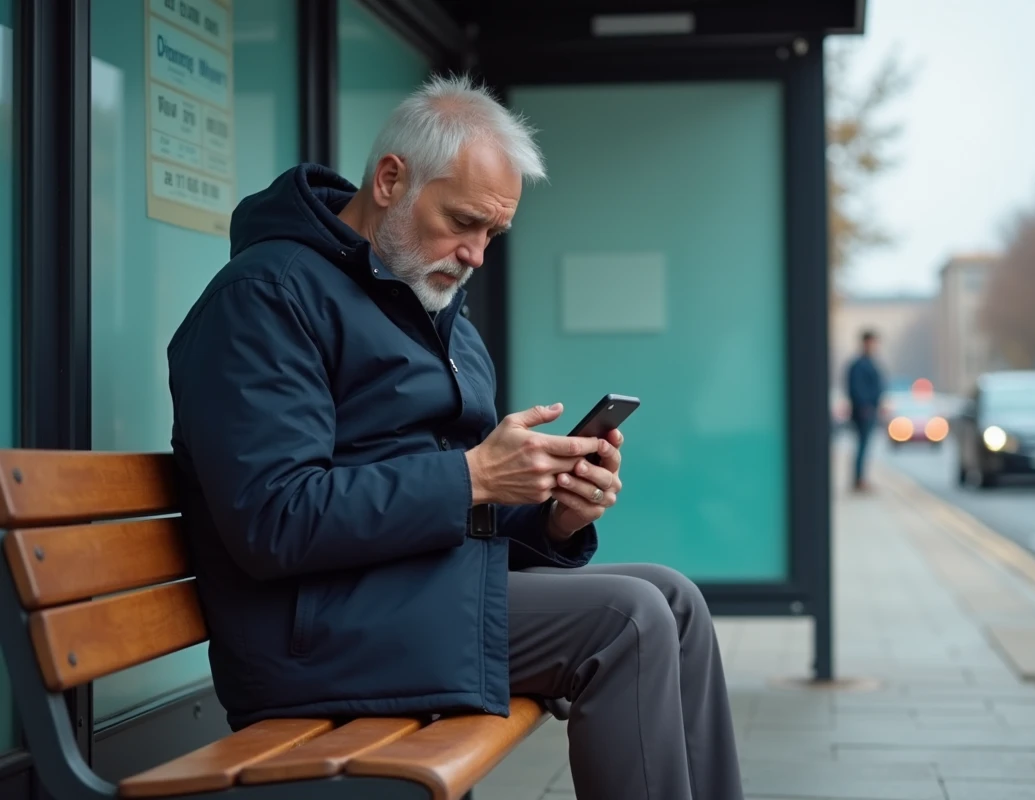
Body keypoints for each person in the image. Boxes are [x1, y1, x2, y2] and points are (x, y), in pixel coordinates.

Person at [166, 75, 743, 800]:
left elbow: (456, 509)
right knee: (627, 620)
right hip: (313, 634)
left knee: (675, 598)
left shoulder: (435, 309)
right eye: (464, 222)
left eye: (492, 234)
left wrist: (555, 518)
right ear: (390, 180)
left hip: (413, 595)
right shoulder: (266, 296)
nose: (476, 254)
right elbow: (275, 518)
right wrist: (474, 476)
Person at [846, 329, 885, 491]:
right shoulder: (859, 365)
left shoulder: (868, 362)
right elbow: (856, 388)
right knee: (862, 446)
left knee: (864, 446)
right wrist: (864, 406)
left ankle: (861, 478)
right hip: (864, 411)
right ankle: (859, 480)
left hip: (869, 409)